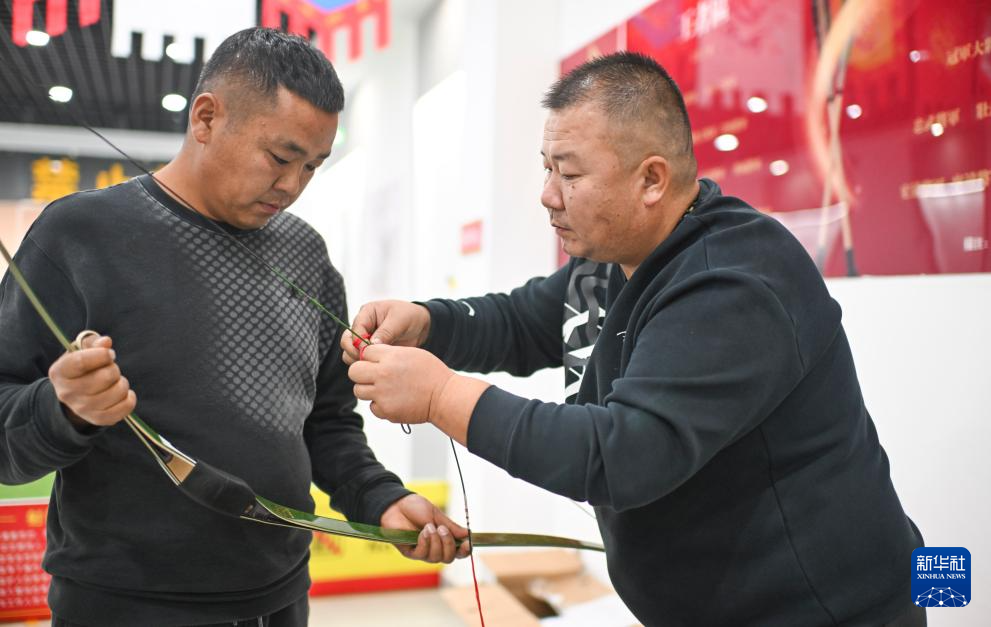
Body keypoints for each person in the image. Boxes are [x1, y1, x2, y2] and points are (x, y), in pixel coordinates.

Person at [343, 52, 925, 626]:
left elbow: (622, 456)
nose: (548, 194)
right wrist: (429, 323)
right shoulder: (611, 260)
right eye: (547, 169)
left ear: (651, 179)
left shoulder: (732, 282)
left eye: (570, 175)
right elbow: (523, 321)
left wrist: (441, 397)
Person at [0, 27, 466, 627]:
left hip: (279, 595)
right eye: (280, 158)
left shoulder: (304, 251)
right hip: (125, 606)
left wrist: (380, 497)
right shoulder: (80, 236)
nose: (292, 186)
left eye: (313, 166)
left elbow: (326, 422)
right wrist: (63, 408)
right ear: (206, 118)